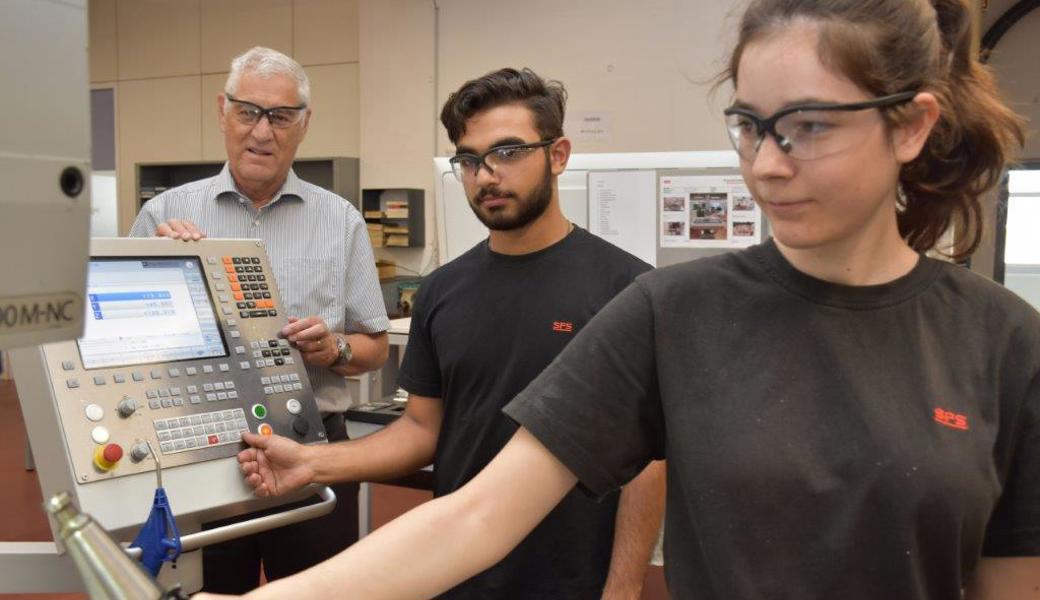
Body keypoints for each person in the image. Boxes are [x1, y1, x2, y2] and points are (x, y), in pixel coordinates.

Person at [198, 0, 1040, 598]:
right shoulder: (674, 310)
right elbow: (474, 516)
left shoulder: (1004, 344)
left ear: (912, 125)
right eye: (750, 124)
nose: (767, 165)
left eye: (810, 125)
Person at [227, 67, 666, 599]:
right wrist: (310, 463)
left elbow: (648, 463)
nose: (486, 175)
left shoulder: (630, 289)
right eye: (470, 159)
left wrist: (622, 587)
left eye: (508, 152)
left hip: (577, 577)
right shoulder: (441, 292)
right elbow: (420, 430)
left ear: (557, 155)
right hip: (457, 570)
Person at [129, 46, 390, 593]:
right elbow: (131, 350)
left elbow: (373, 346)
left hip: (316, 450)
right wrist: (158, 273)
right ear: (222, 111)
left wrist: (334, 350)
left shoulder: (339, 220)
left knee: (322, 591)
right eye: (249, 111)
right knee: (212, 591)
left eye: (281, 116)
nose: (262, 132)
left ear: (304, 124)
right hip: (203, 457)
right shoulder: (164, 217)